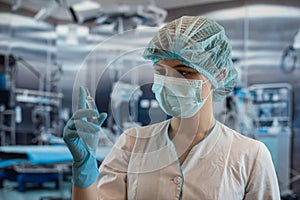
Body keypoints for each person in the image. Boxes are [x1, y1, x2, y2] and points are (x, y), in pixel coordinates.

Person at [63, 16, 280, 200]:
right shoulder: (132, 143)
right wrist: (85, 169)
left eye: (184, 72)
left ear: (219, 76)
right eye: (161, 72)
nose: (169, 83)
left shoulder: (251, 156)